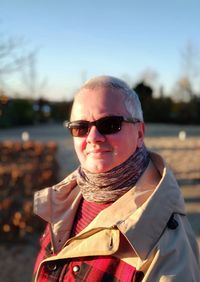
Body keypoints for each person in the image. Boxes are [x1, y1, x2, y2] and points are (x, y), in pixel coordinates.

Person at [33, 76, 200, 282]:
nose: (93, 137)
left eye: (110, 124)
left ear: (140, 133)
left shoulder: (168, 243)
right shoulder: (63, 201)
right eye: (80, 127)